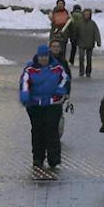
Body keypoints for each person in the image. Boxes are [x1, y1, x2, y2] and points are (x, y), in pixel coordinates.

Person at [19, 43, 71, 177]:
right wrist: (25, 95)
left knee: (51, 129)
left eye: (46, 56)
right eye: (41, 56)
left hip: (53, 103)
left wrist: (61, 91)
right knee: (37, 130)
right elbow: (24, 82)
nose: (44, 59)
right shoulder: (30, 69)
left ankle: (53, 158)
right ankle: (38, 157)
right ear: (38, 56)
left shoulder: (57, 67)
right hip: (35, 104)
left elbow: (65, 79)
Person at [69, 6, 101, 77]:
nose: (86, 16)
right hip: (81, 43)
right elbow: (75, 32)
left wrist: (98, 41)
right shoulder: (79, 23)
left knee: (89, 59)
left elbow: (96, 32)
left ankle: (88, 71)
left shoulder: (92, 23)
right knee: (81, 57)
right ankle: (81, 71)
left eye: (88, 14)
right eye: (85, 14)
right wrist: (74, 39)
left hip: (90, 43)